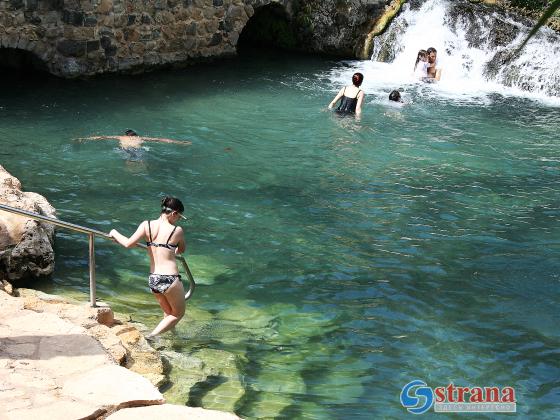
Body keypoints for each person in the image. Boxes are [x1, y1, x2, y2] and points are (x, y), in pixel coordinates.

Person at [109, 196, 187, 338]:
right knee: (178, 314)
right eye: (179, 217)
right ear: (174, 213)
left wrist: (114, 232)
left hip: (153, 279)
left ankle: (169, 337)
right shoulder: (177, 230)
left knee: (169, 313)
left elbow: (128, 244)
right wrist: (171, 249)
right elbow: (181, 250)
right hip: (170, 278)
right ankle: (151, 337)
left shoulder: (147, 225)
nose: (179, 220)